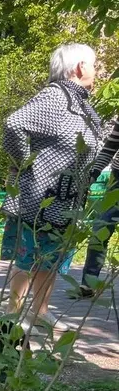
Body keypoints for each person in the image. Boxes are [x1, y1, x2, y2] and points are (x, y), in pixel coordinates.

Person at [0, 43, 102, 326]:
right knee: (29, 257)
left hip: (65, 202)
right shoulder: (55, 97)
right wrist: (27, 163)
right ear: (81, 67)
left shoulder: (79, 102)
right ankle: (13, 313)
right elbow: (14, 125)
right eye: (94, 65)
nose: (96, 71)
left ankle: (40, 311)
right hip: (40, 197)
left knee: (52, 258)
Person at [72, 120, 118, 299]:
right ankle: (88, 283)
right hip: (118, 182)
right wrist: (93, 173)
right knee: (101, 227)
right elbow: (109, 149)